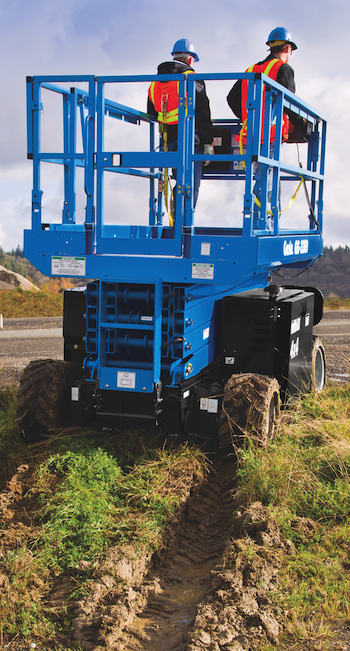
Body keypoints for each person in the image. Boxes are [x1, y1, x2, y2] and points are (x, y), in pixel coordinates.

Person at [227, 27, 303, 228]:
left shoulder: (251, 69)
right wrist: (302, 122)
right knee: (266, 183)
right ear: (287, 48)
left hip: (250, 135)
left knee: (265, 180)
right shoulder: (283, 69)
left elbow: (231, 98)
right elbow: (291, 103)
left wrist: (247, 117)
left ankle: (267, 224)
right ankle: (264, 228)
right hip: (269, 135)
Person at [148, 38, 213, 211]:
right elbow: (202, 111)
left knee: (176, 180)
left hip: (166, 140)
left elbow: (151, 111)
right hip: (189, 139)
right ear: (191, 59)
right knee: (190, 183)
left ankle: (175, 221)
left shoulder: (156, 81)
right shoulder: (190, 78)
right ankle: (183, 222)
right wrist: (207, 142)